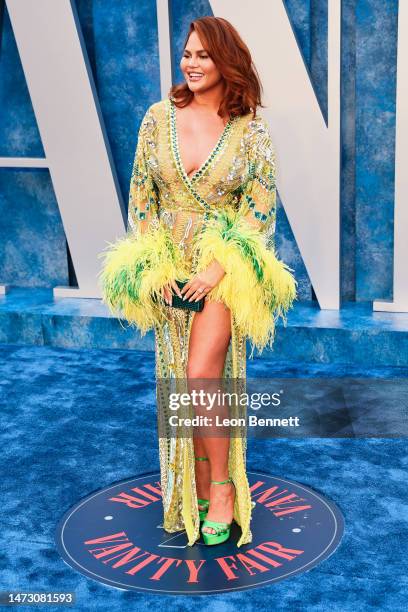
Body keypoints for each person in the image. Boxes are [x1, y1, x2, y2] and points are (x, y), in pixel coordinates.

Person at [99, 16, 297, 547]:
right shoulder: (156, 118)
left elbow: (259, 209)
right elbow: (141, 198)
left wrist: (218, 270)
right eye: (187, 53)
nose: (190, 63)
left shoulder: (249, 129)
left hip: (222, 268)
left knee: (200, 375)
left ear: (226, 62)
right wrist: (154, 268)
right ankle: (195, 486)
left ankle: (224, 486)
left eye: (203, 56)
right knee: (179, 379)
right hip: (169, 266)